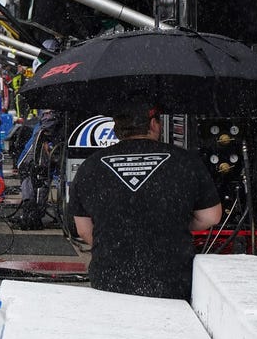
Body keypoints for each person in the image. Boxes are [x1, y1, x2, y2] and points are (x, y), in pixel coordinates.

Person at [69, 100, 222, 300]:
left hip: (110, 278)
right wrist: (168, 224)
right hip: (171, 278)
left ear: (116, 129)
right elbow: (211, 216)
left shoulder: (90, 167)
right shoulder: (186, 161)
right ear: (153, 124)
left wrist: (122, 239)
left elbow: (83, 229)